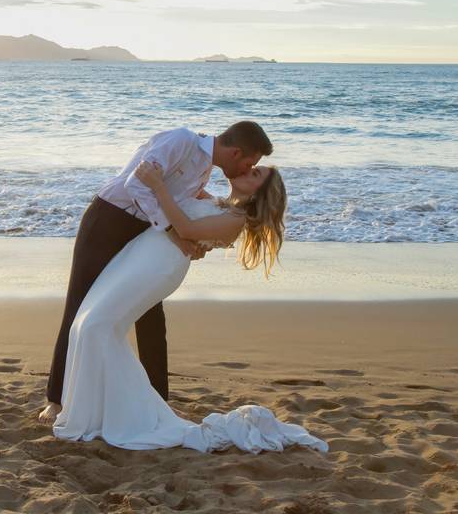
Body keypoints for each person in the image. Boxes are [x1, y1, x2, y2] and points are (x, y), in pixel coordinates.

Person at [51, 161, 328, 454]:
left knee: (98, 326)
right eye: (250, 165)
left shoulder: (235, 220)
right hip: (141, 254)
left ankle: (115, 415)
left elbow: (184, 227)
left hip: (159, 266)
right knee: (91, 323)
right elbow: (181, 194)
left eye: (255, 173)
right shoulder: (219, 202)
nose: (247, 169)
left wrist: (156, 185)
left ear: (261, 191)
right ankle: (101, 411)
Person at [39, 122, 273, 423]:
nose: (247, 168)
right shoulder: (180, 141)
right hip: (109, 220)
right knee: (79, 302)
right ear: (236, 151)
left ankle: (158, 400)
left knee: (151, 314)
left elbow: (183, 203)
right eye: (249, 163)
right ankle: (56, 399)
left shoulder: (204, 166)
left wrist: (200, 237)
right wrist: (176, 233)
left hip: (145, 231)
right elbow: (135, 185)